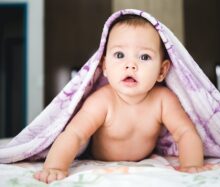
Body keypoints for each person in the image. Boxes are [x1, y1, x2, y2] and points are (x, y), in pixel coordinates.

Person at [34, 14, 209, 184]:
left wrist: (191, 165)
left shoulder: (163, 100)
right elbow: (75, 135)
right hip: (100, 159)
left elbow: (185, 132)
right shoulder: (102, 101)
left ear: (162, 71)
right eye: (119, 55)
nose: (130, 65)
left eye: (144, 57)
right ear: (104, 66)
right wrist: (56, 166)